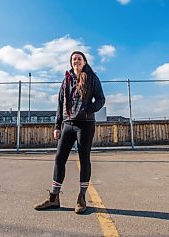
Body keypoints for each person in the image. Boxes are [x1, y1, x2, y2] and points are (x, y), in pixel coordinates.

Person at [34, 51, 105, 214]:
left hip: (85, 124)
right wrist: (57, 126)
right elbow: (60, 103)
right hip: (67, 123)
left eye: (79, 59)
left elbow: (101, 99)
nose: (76, 61)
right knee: (59, 158)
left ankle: (81, 197)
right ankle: (54, 198)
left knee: (84, 158)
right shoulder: (66, 79)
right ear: (71, 63)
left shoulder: (92, 77)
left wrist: (89, 109)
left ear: (85, 62)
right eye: (74, 59)